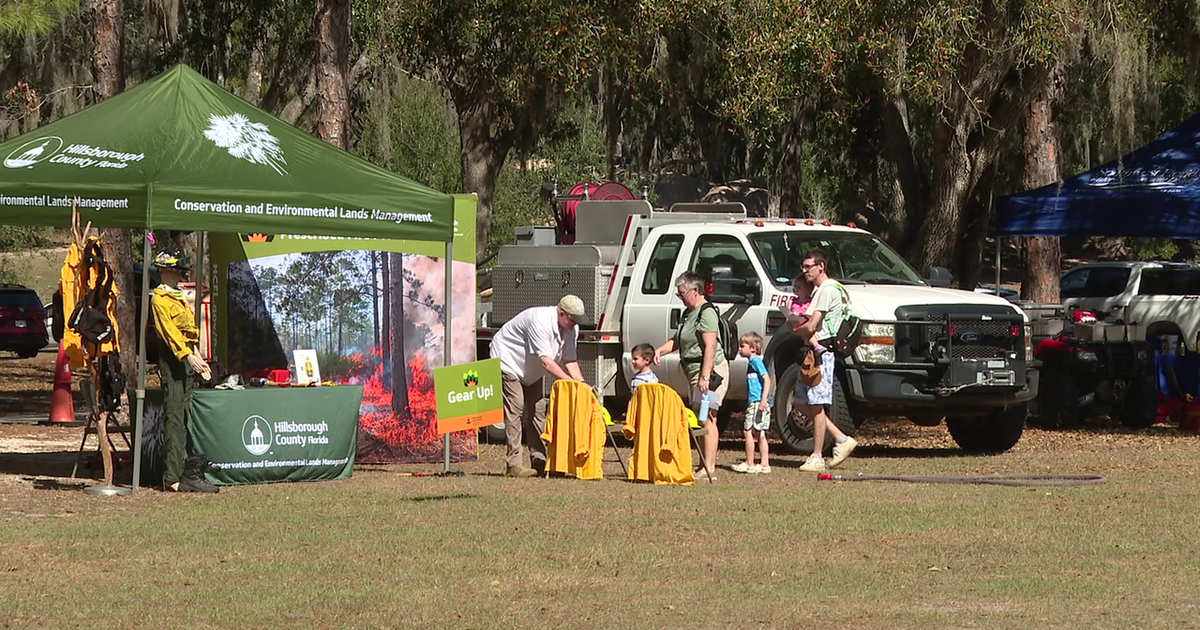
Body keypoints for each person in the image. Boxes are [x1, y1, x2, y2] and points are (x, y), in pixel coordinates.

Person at [490, 295, 590, 477]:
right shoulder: (540, 321)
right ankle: (514, 464)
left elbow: (570, 360)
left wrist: (582, 385)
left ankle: (540, 460)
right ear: (562, 313)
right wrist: (569, 381)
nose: (575, 324)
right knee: (516, 408)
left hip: (532, 369)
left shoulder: (571, 329)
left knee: (537, 409)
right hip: (509, 361)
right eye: (573, 320)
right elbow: (546, 361)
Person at [150, 247, 218, 493]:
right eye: (177, 270)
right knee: (175, 416)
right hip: (174, 359)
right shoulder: (159, 299)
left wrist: (198, 357)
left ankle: (190, 470)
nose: (180, 275)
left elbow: (189, 332)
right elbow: (169, 334)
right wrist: (188, 356)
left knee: (187, 416)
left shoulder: (178, 295)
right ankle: (172, 476)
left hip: (188, 359)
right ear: (165, 271)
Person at [653, 272, 728, 481]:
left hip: (711, 373)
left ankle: (709, 466)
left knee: (708, 417)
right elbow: (678, 340)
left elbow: (710, 346)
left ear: (695, 291)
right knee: (701, 416)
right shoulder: (689, 313)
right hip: (693, 372)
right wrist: (661, 350)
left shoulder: (707, 312)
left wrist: (705, 376)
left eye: (682, 293)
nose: (680, 297)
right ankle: (703, 463)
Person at [794, 250, 857, 472]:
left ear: (821, 266)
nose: (805, 271)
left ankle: (817, 455)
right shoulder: (835, 288)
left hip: (822, 353)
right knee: (802, 402)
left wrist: (793, 330)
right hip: (816, 353)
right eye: (803, 267)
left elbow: (812, 325)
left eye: (808, 266)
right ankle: (841, 439)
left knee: (816, 404)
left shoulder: (827, 289)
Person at [733, 332, 772, 474]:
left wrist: (763, 400)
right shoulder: (753, 363)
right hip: (758, 401)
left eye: (742, 346)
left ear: (753, 348)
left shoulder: (756, 362)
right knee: (761, 432)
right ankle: (764, 463)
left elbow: (767, 379)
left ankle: (750, 462)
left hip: (756, 402)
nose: (740, 349)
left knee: (748, 431)